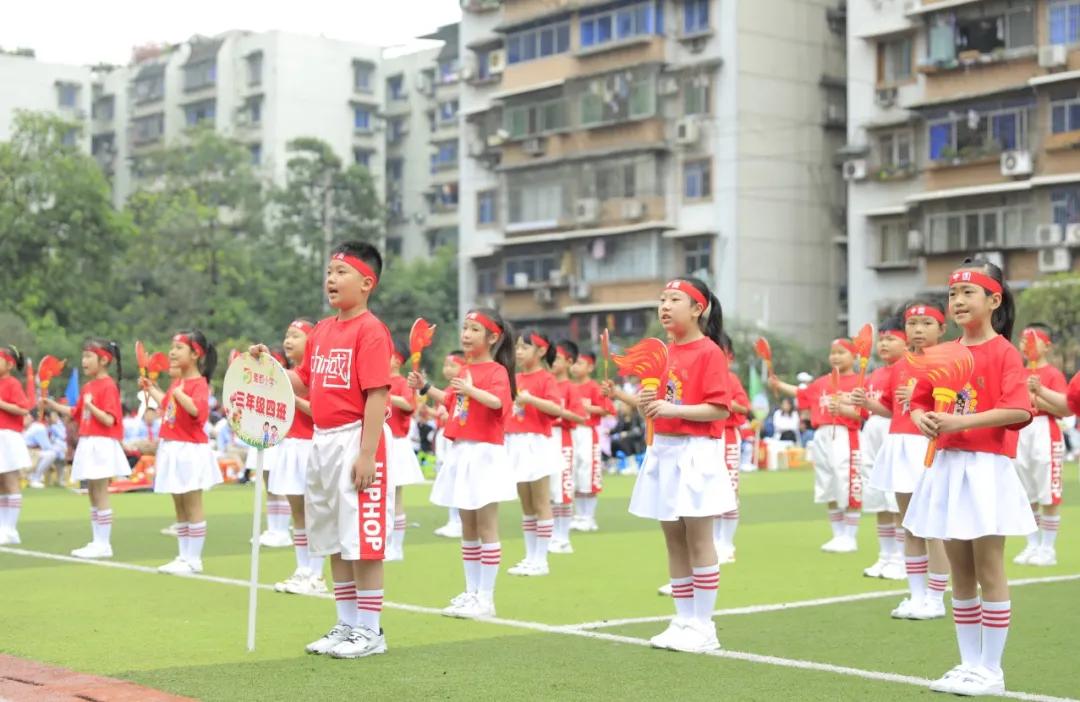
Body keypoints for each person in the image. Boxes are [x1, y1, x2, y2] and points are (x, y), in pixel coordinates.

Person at [904, 258, 1035, 696]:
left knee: (989, 566)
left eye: (968, 293)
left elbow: (1019, 410)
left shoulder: (1003, 352)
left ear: (994, 300)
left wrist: (961, 422)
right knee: (960, 569)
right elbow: (920, 401)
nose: (958, 302)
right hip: (946, 468)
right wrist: (922, 417)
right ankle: (968, 664)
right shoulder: (940, 354)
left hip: (984, 468)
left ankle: (992, 670)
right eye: (953, 294)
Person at [257, 241, 394, 659]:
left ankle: (370, 631)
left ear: (367, 282)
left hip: (355, 438)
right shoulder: (321, 331)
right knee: (333, 537)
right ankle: (346, 623)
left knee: (361, 538)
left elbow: (376, 395)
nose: (331, 279)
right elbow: (301, 381)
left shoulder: (371, 330)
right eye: (329, 271)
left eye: (341, 271)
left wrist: (367, 453)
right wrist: (266, 367)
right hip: (322, 440)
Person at [618, 277, 734, 653]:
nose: (665, 306)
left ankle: (704, 625)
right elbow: (661, 401)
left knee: (699, 539)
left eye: (675, 300)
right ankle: (683, 619)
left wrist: (673, 409)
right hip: (663, 450)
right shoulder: (663, 352)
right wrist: (646, 404)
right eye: (662, 300)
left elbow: (719, 408)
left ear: (698, 308)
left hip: (696, 451)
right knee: (673, 539)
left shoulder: (709, 352)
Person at [415, 309, 516, 618]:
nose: (466, 334)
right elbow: (450, 400)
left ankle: (486, 598)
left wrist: (472, 389)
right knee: (467, 526)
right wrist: (423, 386)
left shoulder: (496, 371)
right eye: (465, 328)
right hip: (462, 451)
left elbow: (500, 402)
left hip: (484, 453)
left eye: (474, 329)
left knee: (486, 526)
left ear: (493, 337)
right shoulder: (465, 370)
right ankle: (471, 592)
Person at [858, 303, 952, 619]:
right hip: (898, 444)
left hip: (928, 447)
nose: (918, 329)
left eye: (927, 323)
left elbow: (953, 407)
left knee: (933, 526)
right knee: (909, 524)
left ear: (942, 328)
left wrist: (919, 405)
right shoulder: (900, 365)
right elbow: (890, 409)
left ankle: (936, 598)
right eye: (912, 323)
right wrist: (868, 403)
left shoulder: (950, 361)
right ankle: (916, 595)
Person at [770, 339, 863, 552]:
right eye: (833, 353)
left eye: (842, 352)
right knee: (827, 483)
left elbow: (863, 412)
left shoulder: (860, 383)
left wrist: (843, 407)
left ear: (854, 356)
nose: (836, 356)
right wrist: (779, 385)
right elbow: (802, 394)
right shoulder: (822, 382)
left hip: (845, 435)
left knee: (847, 482)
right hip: (821, 434)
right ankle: (837, 535)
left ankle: (850, 536)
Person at [141, 329, 221, 575]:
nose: (172, 353)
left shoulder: (198, 384)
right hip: (172, 445)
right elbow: (168, 405)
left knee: (192, 503)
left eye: (178, 349)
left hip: (190, 449)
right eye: (172, 347)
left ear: (195, 354)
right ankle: (182, 556)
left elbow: (198, 412)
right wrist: (152, 388)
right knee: (178, 503)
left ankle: (194, 559)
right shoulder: (179, 382)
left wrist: (178, 393)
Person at [43, 339, 129, 558]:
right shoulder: (88, 386)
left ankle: (103, 543)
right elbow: (76, 412)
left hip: (101, 442)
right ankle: (96, 541)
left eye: (89, 357)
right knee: (91, 492)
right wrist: (53, 405)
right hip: (89, 440)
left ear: (104, 360)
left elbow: (109, 419)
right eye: (83, 357)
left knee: (100, 492)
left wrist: (91, 406)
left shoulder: (108, 386)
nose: (84, 361)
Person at [271, 319, 326, 596]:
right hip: (290, 446)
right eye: (286, 335)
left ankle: (317, 573)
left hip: (311, 446)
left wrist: (293, 400)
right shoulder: (288, 374)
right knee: (298, 514)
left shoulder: (318, 374)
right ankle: (302, 569)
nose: (288, 340)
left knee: (315, 512)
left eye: (295, 335)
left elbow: (320, 414)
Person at [506, 330, 564, 577]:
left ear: (540, 351)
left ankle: (541, 559)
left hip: (537, 443)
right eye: (517, 347)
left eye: (524, 347)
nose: (518, 352)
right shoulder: (514, 377)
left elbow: (556, 409)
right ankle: (530, 557)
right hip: (515, 442)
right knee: (526, 504)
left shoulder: (545, 378)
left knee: (541, 502)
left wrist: (531, 400)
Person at [1011, 324, 1069, 567]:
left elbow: (1064, 410)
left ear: (1047, 345)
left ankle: (1048, 548)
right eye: (1024, 340)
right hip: (1022, 432)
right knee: (1027, 493)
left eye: (1033, 340)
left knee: (1047, 492)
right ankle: (1032, 544)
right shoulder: (1017, 374)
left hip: (1046, 431)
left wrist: (1040, 394)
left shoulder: (1053, 374)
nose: (1027, 345)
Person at [852, 318, 905, 582]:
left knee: (895, 498)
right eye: (881, 339)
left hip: (894, 432)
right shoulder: (873, 374)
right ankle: (885, 556)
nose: (884, 344)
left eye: (891, 339)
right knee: (877, 496)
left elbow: (898, 409)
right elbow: (865, 411)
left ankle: (902, 559)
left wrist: (869, 404)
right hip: (871, 434)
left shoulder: (905, 371)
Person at [385, 339, 426, 562]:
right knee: (380, 499)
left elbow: (410, 404)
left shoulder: (401, 382)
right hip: (378, 442)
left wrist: (386, 395)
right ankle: (383, 543)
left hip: (396, 444)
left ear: (396, 360)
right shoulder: (378, 381)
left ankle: (396, 547)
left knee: (395, 499)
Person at [550, 340, 587, 553]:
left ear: (569, 362)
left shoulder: (570, 388)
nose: (553, 363)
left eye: (557, 359)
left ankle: (563, 538)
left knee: (562, 488)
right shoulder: (547, 383)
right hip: (545, 438)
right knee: (547, 491)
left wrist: (558, 411)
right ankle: (552, 534)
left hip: (562, 438)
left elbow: (581, 417)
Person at [715, 333, 749, 564]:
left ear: (730, 357)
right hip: (707, 437)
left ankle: (727, 543)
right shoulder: (702, 377)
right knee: (710, 492)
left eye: (721, 353)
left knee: (729, 492)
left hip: (726, 436)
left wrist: (724, 401)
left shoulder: (731, 379)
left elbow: (743, 407)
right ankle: (713, 543)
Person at [424, 350, 465, 539]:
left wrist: (448, 417)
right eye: (446, 365)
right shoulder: (447, 390)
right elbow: (440, 414)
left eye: (452, 365)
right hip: (444, 436)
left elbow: (461, 415)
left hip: (455, 437)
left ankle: (458, 521)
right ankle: (453, 520)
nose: (447, 369)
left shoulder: (461, 388)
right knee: (447, 476)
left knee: (456, 477)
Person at [569, 351, 612, 532]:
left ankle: (590, 517)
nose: (575, 367)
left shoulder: (594, 387)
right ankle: (579, 516)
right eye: (574, 363)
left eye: (580, 363)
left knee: (588, 474)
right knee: (575, 475)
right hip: (571, 432)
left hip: (587, 433)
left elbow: (606, 409)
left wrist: (587, 407)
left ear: (590, 367)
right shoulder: (570, 386)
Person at [0, 345, 31, 545]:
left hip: (8, 437)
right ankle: (3, 527)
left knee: (10, 482)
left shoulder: (12, 383)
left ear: (9, 364)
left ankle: (10, 528)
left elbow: (23, 409)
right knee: (1, 484)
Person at [25, 410, 60, 488]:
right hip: (28, 451)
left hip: (32, 451)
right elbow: (46, 446)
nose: (57, 418)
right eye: (54, 416)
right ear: (47, 418)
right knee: (51, 454)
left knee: (54, 453)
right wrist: (60, 450)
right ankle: (34, 479)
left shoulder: (50, 427)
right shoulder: (39, 427)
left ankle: (37, 477)